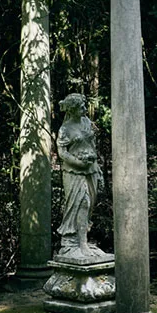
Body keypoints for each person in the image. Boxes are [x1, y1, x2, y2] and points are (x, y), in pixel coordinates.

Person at [55, 92, 106, 261]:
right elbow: (61, 152)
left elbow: (92, 145)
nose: (85, 109)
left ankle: (79, 239)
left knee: (90, 204)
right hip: (73, 171)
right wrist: (77, 162)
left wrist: (96, 166)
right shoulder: (65, 129)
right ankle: (79, 243)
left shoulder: (87, 122)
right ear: (72, 109)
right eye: (81, 107)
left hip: (90, 169)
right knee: (81, 202)